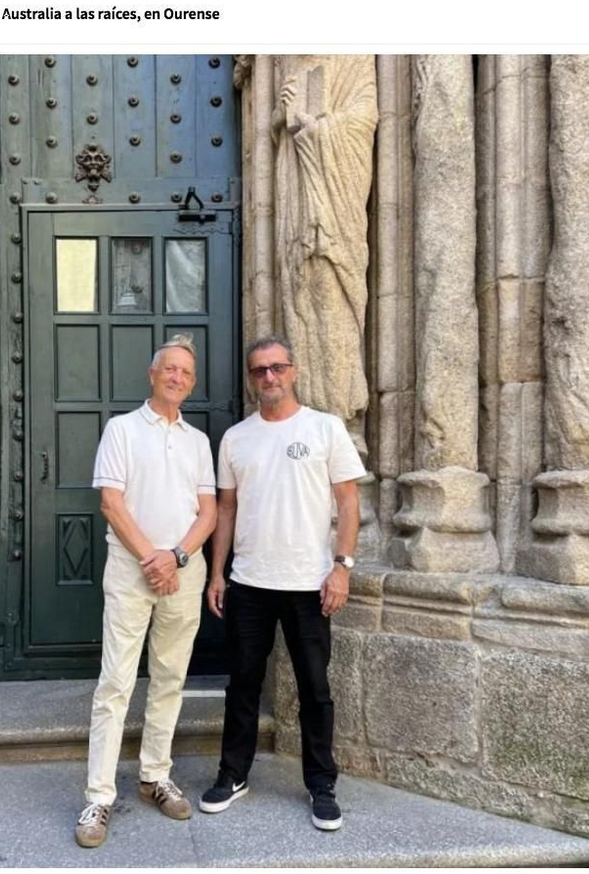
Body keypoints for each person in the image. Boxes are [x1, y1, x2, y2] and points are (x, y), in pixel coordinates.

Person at [198, 335, 363, 832]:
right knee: (243, 684)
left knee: (315, 688)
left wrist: (343, 567)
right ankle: (233, 774)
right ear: (251, 379)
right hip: (249, 582)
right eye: (258, 371)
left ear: (293, 371)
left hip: (310, 583)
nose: (268, 377)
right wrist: (216, 572)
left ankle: (321, 785)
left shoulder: (325, 428)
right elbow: (225, 509)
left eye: (276, 368)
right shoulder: (236, 438)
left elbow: (349, 504)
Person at [74, 334, 218, 849]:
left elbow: (209, 512)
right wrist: (151, 559)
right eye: (169, 369)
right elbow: (111, 503)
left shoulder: (199, 442)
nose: (177, 377)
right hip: (133, 571)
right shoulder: (122, 430)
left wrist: (175, 557)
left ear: (191, 382)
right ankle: (99, 797)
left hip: (183, 570)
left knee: (169, 679)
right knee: (115, 682)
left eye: (185, 371)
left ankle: (155, 775)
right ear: (152, 374)